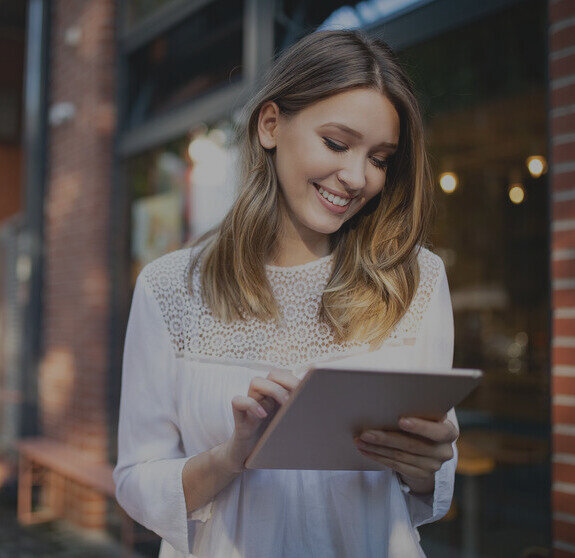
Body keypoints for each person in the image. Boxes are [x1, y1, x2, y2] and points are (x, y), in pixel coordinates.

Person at [113, 29, 460, 558]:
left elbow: (427, 486)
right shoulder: (170, 288)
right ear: (271, 125)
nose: (357, 177)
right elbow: (138, 480)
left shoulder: (414, 280)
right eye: (338, 144)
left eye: (381, 158)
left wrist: (425, 467)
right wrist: (232, 456)